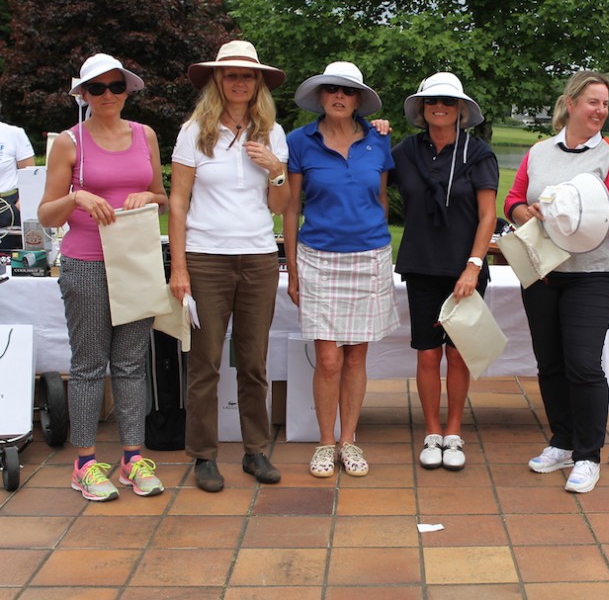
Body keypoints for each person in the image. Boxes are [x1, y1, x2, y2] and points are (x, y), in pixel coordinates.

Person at [38, 53, 167, 501]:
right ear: (83, 95)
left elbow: (162, 198)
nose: (108, 95)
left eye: (116, 86)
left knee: (132, 362)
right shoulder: (70, 142)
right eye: (97, 88)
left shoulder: (144, 135)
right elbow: (45, 211)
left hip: (135, 259)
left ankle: (133, 458)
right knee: (90, 364)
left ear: (127, 90)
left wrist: (145, 195)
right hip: (87, 261)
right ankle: (85, 463)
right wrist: (77, 198)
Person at [504, 70, 609, 493]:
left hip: (591, 274)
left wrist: (580, 214)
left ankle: (587, 455)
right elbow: (513, 200)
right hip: (542, 271)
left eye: (604, 103)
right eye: (592, 102)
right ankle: (561, 442)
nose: (600, 110)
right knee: (550, 362)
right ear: (572, 103)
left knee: (583, 363)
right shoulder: (540, 152)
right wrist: (528, 213)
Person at [169, 40, 289, 492]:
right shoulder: (194, 131)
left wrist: (276, 168)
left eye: (248, 75)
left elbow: (280, 204)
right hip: (206, 257)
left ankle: (255, 451)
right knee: (206, 362)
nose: (239, 81)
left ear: (258, 82)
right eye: (231, 74)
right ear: (218, 80)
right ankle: (203, 455)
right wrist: (179, 268)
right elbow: (177, 203)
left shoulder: (272, 132)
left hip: (258, 255)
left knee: (254, 360)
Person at [284, 62, 399, 479]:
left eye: (347, 91)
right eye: (331, 89)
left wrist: (375, 239)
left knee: (355, 357)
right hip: (318, 257)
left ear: (357, 100)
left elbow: (381, 198)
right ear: (320, 96)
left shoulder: (378, 140)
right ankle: (324, 442)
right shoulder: (299, 141)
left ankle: (349, 439)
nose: (338, 96)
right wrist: (293, 270)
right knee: (328, 358)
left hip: (368, 257)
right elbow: (291, 207)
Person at [391, 72, 498, 471]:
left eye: (448, 103)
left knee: (457, 356)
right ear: (421, 108)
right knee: (426, 355)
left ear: (460, 110)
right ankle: (431, 432)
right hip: (421, 265)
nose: (440, 107)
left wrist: (473, 265)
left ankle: (454, 432)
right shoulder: (405, 150)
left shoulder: (478, 152)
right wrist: (374, 131)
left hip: (464, 269)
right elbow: (374, 178)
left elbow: (488, 215)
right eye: (432, 101)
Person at [0, 104, 35, 251]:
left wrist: (21, 204)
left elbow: (30, 173)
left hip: (8, 207)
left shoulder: (13, 133)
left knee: (7, 259)